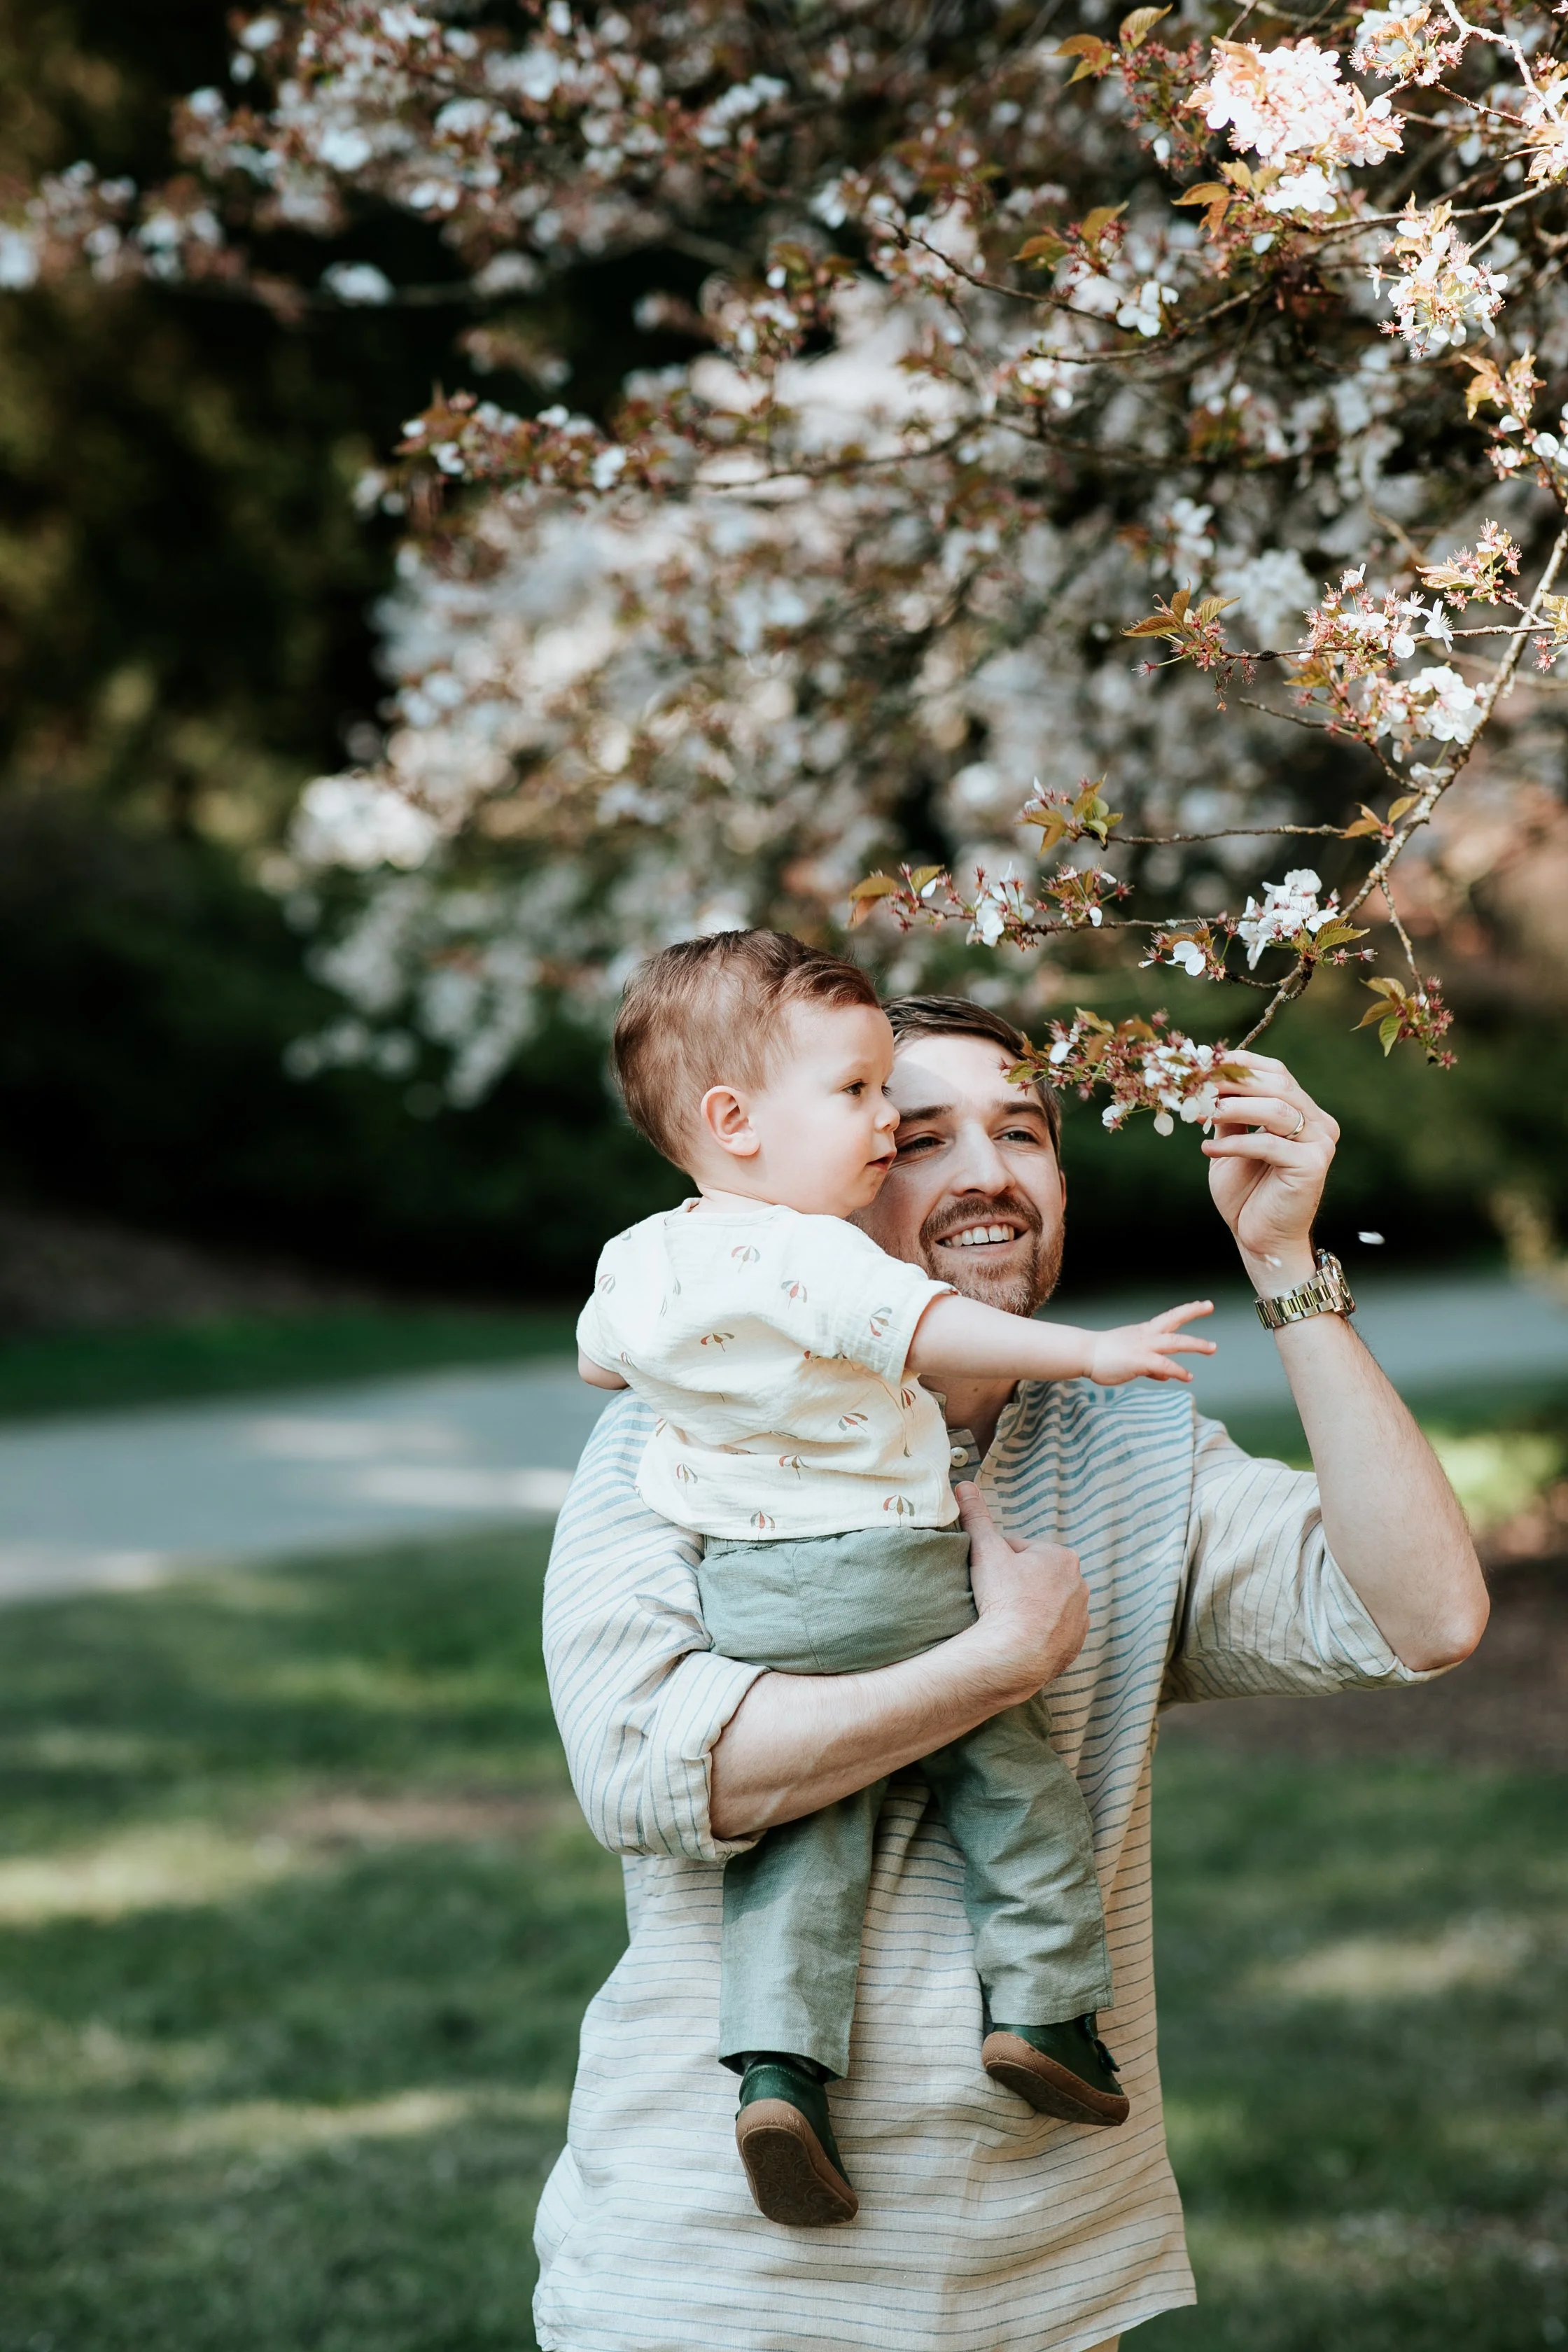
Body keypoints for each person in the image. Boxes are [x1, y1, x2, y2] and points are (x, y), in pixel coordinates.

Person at [536, 988, 1486, 2352]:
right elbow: (645, 1774)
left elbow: (1425, 1615)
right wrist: (996, 1664)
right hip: (722, 2284)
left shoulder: (1132, 1449)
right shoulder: (682, 1440)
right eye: (916, 1134)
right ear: (814, 1179)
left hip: (1044, 2281)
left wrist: (1286, 1264)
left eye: (1022, 1131)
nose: (986, 1172)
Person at [575, 931, 1217, 2228]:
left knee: (806, 1844)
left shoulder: (647, 1257)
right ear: (735, 1119)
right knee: (1016, 1786)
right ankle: (1043, 2011)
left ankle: (778, 2072)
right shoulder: (816, 1256)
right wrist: (1088, 1352)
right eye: (867, 1100)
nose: (879, 1123)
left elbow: (605, 1363)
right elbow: (931, 1329)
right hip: (892, 1574)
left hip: (754, 1601)